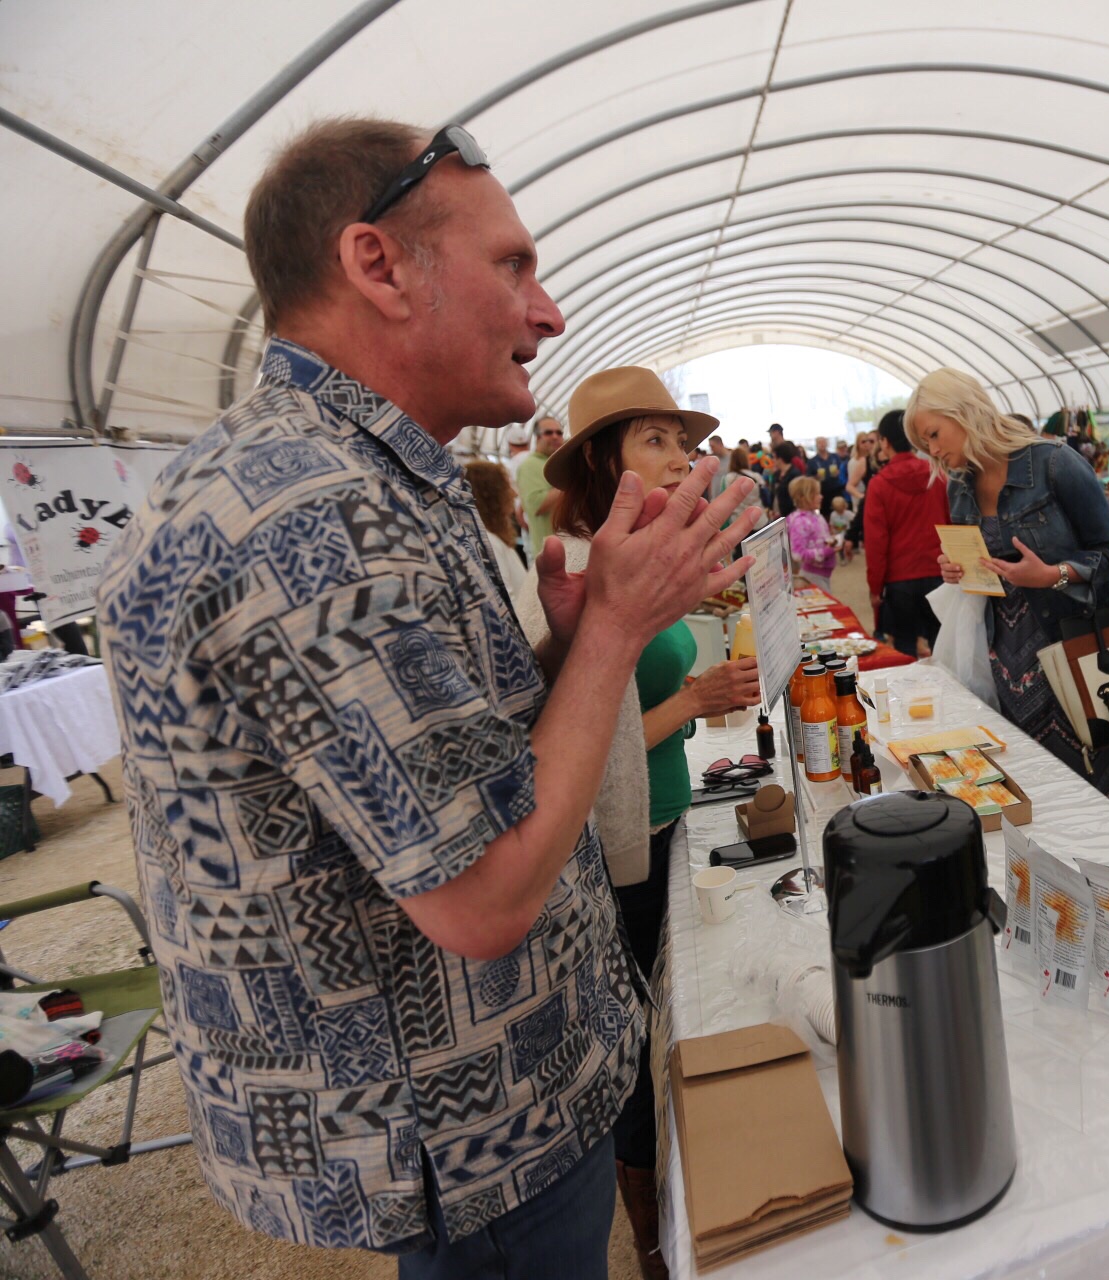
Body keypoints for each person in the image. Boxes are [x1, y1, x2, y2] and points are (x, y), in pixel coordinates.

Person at [95, 117, 758, 1278]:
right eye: (513, 264)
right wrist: (612, 630)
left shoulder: (360, 471)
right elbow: (481, 894)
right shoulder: (305, 513)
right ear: (377, 264)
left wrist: (557, 656)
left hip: (494, 1099)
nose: (546, 311)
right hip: (467, 1128)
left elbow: (434, 780)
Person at [514, 366, 761, 1275]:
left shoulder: (626, 557)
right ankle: (656, 1238)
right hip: (620, 845)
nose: (676, 457)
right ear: (597, 460)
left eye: (680, 440)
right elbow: (588, 739)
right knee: (627, 1046)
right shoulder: (574, 570)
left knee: (662, 1018)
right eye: (651, 439)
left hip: (661, 820)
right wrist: (695, 696)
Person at [920, 369, 1109, 808]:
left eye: (935, 434)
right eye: (926, 443)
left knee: (1091, 799)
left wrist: (1054, 574)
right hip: (1006, 663)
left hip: (1072, 654)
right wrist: (956, 569)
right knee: (1026, 795)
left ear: (964, 412)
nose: (934, 451)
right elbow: (983, 561)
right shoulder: (960, 484)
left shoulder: (1054, 462)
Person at [862, 409, 947, 657]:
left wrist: (875, 587)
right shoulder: (937, 474)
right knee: (942, 644)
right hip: (938, 572)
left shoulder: (879, 484)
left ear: (885, 442)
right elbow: (953, 523)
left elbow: (876, 542)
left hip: (900, 580)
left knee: (905, 649)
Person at [463, 458, 528, 599]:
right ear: (490, 496)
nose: (514, 493)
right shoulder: (487, 543)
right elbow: (506, 601)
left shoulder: (488, 538)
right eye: (506, 487)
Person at [518, 415, 566, 557]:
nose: (555, 436)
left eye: (559, 432)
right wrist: (571, 482)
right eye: (548, 432)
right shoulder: (530, 465)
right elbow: (536, 505)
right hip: (550, 554)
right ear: (537, 438)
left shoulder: (556, 462)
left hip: (566, 549)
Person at [787, 475, 837, 591]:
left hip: (823, 574)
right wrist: (825, 551)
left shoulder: (815, 516)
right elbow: (798, 554)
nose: (821, 497)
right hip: (813, 575)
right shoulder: (799, 522)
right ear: (804, 497)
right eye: (816, 494)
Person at [829, 495, 856, 563]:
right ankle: (842, 558)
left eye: (841, 510)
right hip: (838, 534)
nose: (840, 512)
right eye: (838, 511)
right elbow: (831, 524)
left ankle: (849, 553)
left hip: (847, 533)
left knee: (847, 547)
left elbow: (855, 520)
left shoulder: (848, 513)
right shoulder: (833, 515)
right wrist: (832, 532)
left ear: (845, 506)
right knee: (840, 547)